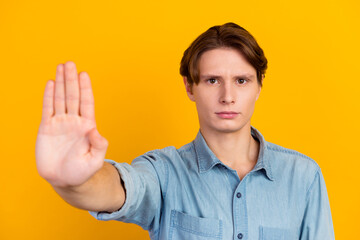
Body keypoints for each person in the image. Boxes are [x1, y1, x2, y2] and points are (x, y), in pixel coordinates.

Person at [35, 22, 335, 239]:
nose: (228, 96)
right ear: (190, 87)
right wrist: (74, 182)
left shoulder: (304, 176)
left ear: (259, 87)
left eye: (241, 81)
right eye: (212, 80)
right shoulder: (164, 173)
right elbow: (118, 190)